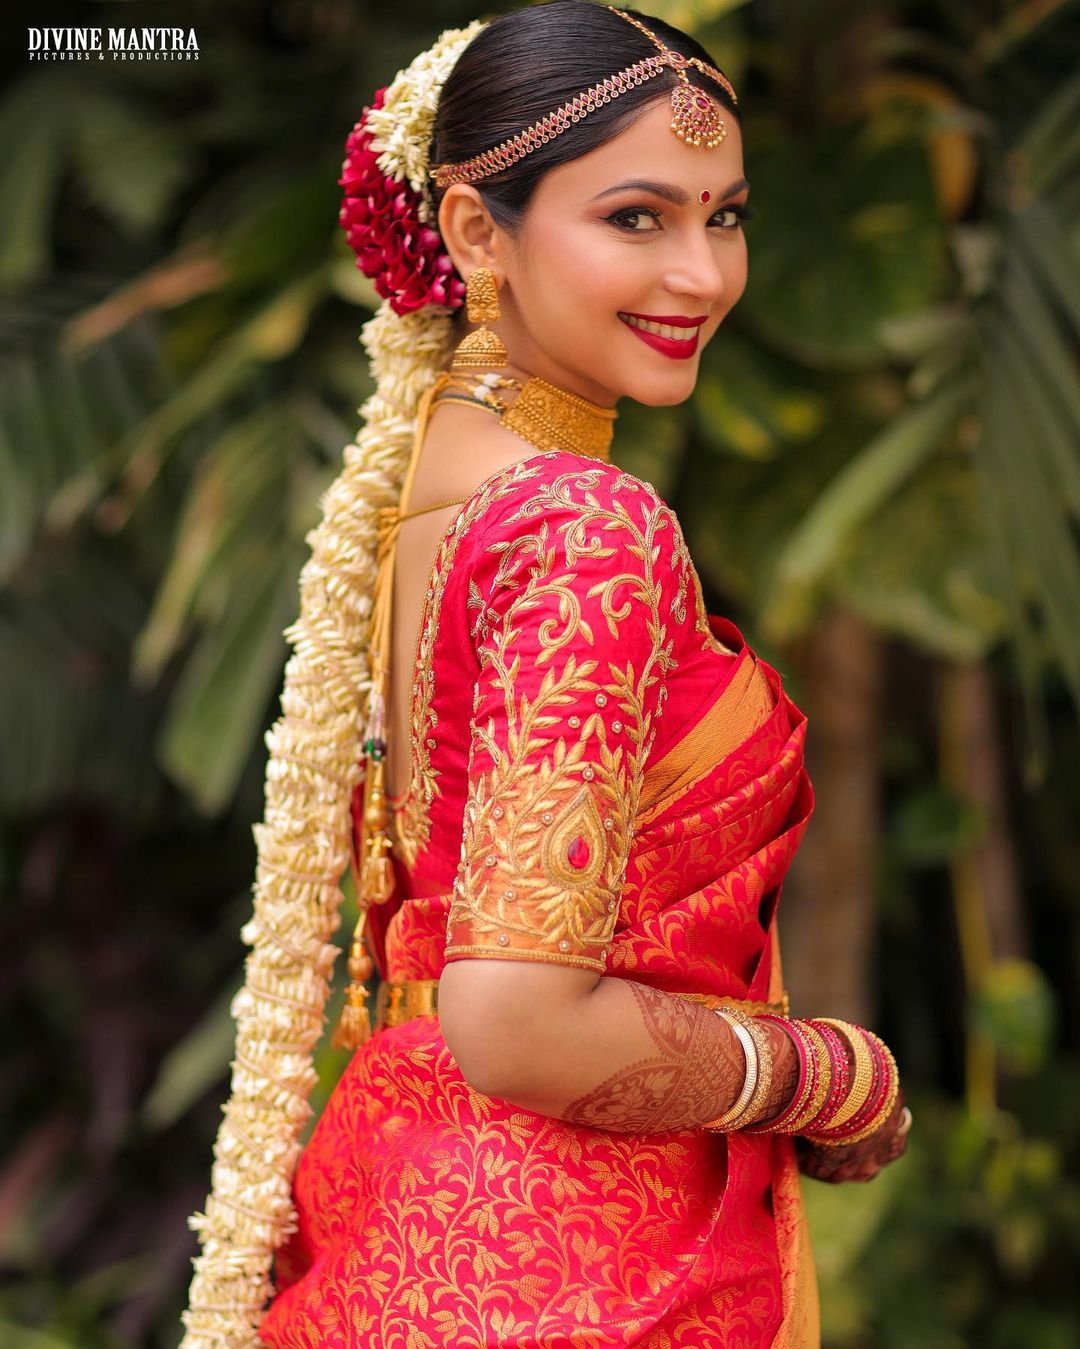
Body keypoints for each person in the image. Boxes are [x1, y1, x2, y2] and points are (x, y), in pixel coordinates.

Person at [180, 4, 911, 1346]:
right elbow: (517, 1017)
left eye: (726, 215)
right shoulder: (584, 526)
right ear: (473, 235)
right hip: (579, 1270)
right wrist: (825, 1072)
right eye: (637, 217)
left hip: (398, 1209)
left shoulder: (429, 494)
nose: (700, 271)